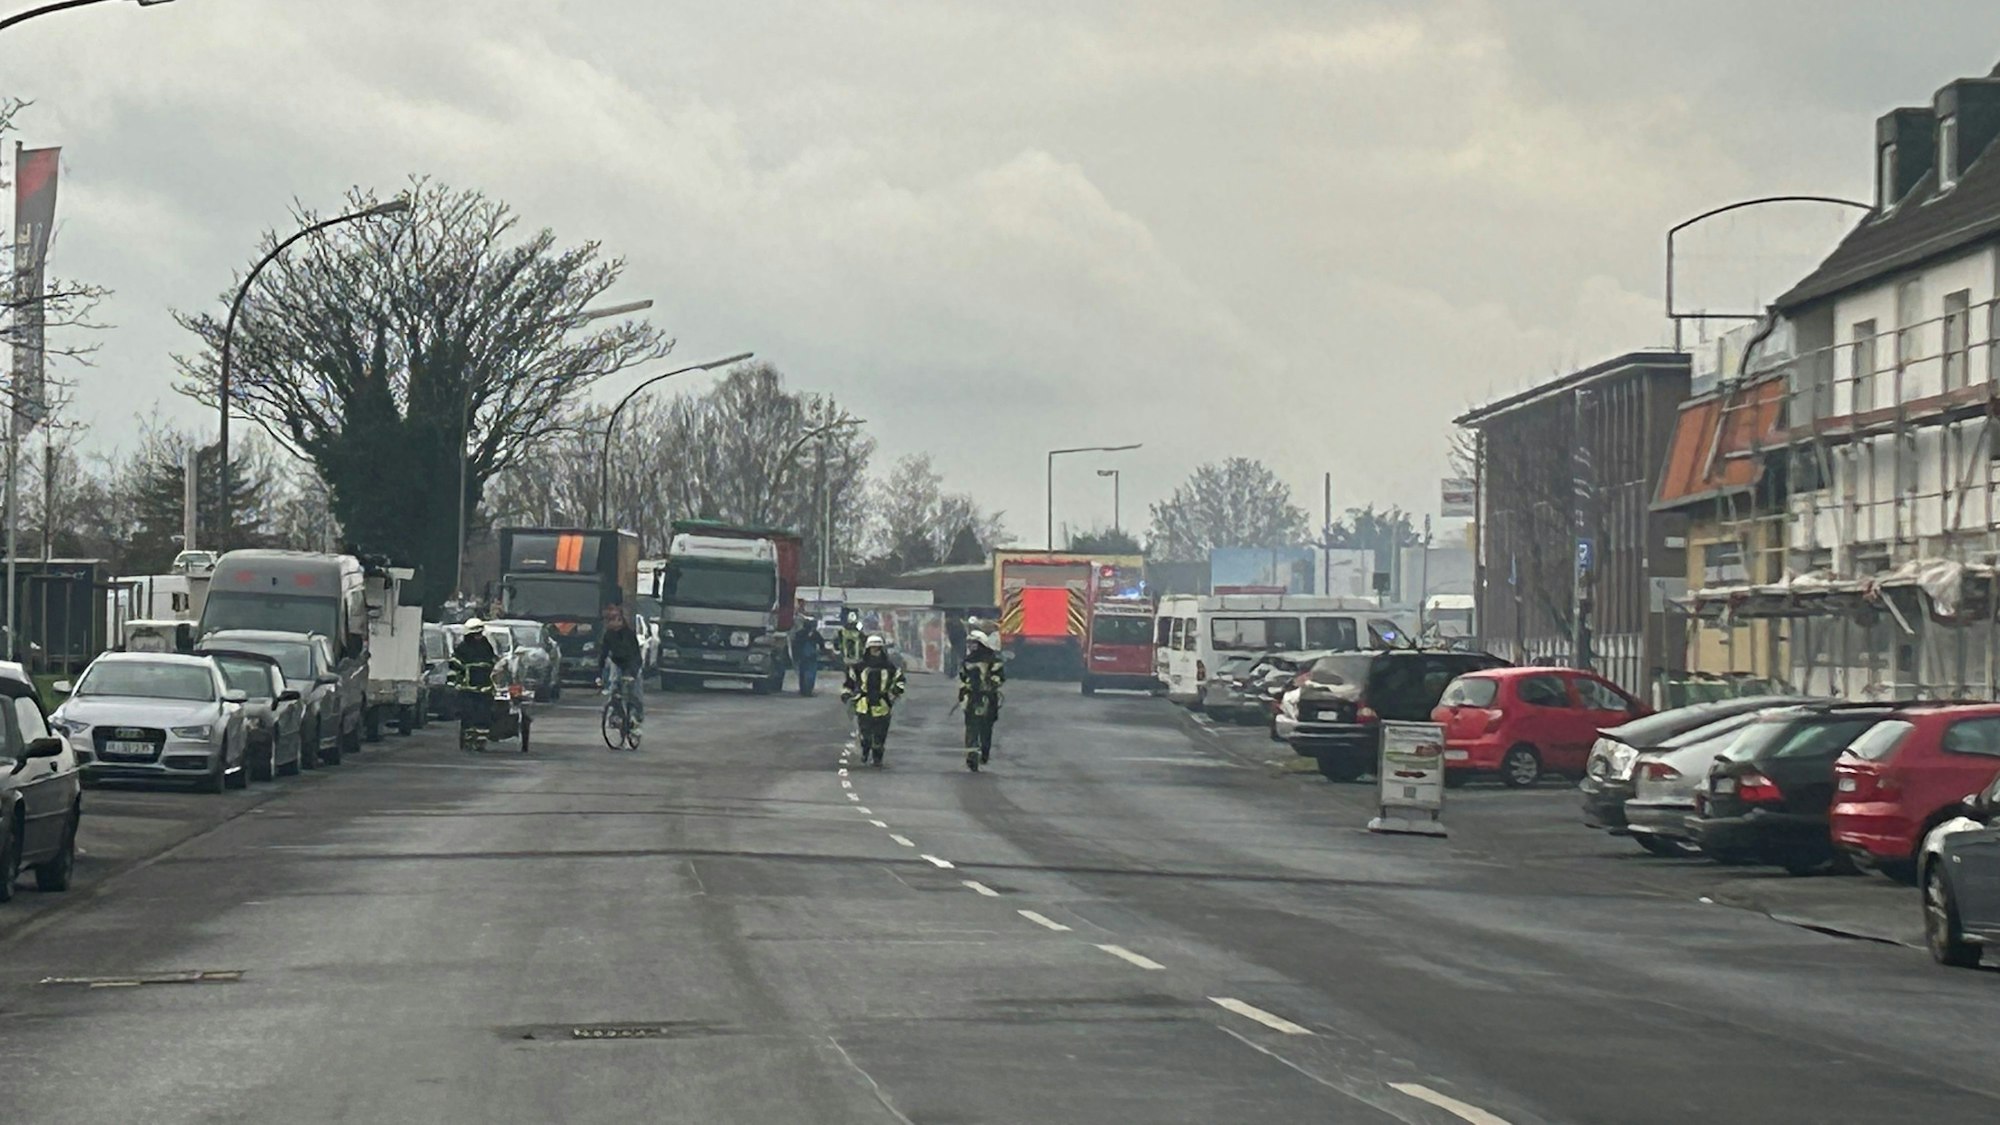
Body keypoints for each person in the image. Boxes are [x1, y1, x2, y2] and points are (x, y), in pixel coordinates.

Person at [842, 634, 906, 766]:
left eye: (878, 648)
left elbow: (899, 681)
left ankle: (877, 758)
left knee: (880, 735)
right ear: (867, 649)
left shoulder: (890, 667)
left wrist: (895, 691)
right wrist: (847, 695)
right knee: (865, 733)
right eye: (873, 648)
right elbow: (849, 683)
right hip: (863, 705)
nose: (875, 651)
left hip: (883, 705)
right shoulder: (859, 667)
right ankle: (865, 750)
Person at [958, 630, 1005, 768]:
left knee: (986, 727)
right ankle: (971, 756)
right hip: (971, 697)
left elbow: (999, 677)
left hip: (988, 698)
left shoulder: (993, 661)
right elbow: (963, 677)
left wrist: (991, 683)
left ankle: (984, 752)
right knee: (971, 726)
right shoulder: (967, 661)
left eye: (974, 643)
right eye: (970, 643)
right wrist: (964, 691)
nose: (971, 646)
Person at [450, 618, 498, 749]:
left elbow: (494, 662)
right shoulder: (462, 648)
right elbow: (455, 665)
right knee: (467, 713)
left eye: (479, 634)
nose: (478, 637)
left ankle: (481, 738)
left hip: (485, 688)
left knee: (484, 714)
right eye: (475, 634)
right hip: (468, 688)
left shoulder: (487, 646)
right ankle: (469, 735)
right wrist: (453, 682)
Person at [598, 603, 645, 736]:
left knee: (635, 693)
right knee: (614, 687)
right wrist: (599, 674)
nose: (611, 623)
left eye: (614, 620)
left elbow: (636, 655)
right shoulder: (608, 635)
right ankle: (615, 714)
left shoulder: (629, 634)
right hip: (617, 663)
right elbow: (603, 654)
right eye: (609, 621)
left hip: (632, 664)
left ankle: (636, 719)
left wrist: (632, 673)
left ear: (620, 620)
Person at [791, 607, 827, 697]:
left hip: (803, 657)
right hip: (811, 657)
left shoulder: (800, 633)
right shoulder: (815, 634)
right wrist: (824, 651)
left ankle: (803, 690)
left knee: (802, 673)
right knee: (810, 674)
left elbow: (794, 645)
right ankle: (808, 691)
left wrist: (795, 656)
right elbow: (822, 643)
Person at [944, 612, 967, 677]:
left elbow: (963, 635)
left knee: (958, 659)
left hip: (959, 643)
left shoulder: (958, 626)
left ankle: (956, 673)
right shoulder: (956, 626)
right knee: (954, 659)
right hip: (955, 644)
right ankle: (954, 673)